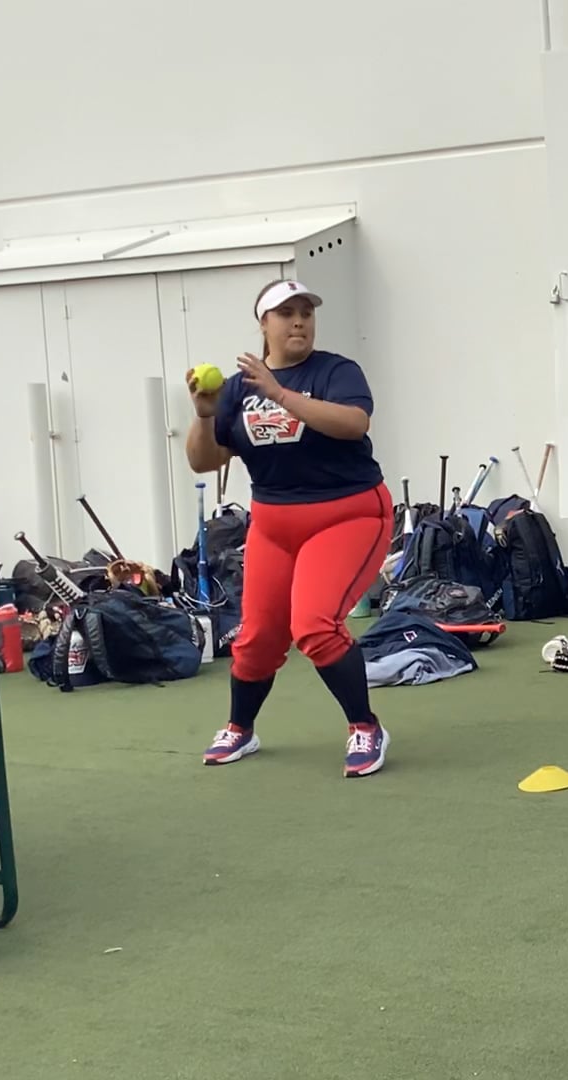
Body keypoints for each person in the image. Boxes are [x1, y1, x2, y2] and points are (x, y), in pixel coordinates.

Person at [183, 279, 394, 777]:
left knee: (315, 626)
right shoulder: (236, 388)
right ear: (264, 324)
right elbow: (203, 461)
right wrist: (205, 416)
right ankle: (240, 728)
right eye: (285, 313)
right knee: (256, 638)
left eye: (306, 312)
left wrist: (279, 393)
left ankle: (366, 727)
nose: (298, 321)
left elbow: (353, 424)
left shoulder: (335, 371)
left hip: (348, 514)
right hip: (274, 525)